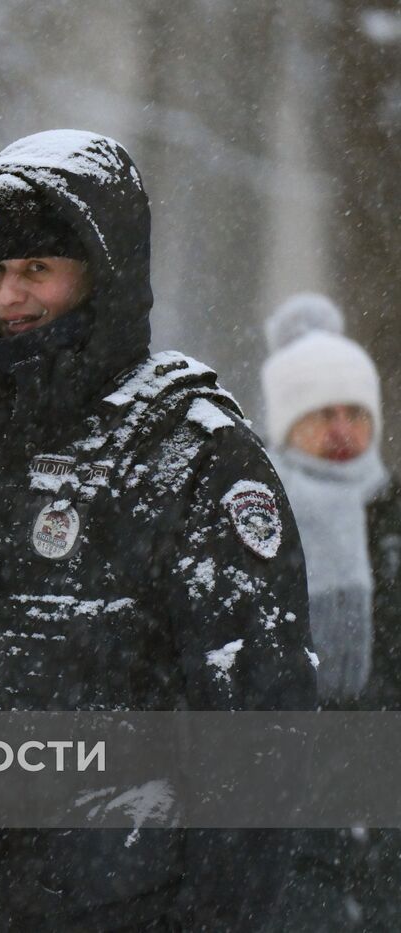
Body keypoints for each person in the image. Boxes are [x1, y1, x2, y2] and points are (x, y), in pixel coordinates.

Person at [0, 130, 318, 931]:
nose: (11, 295)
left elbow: (261, 716)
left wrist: (228, 911)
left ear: (103, 274)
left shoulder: (190, 447)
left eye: (37, 268)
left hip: (137, 900)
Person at [262, 293, 401, 930]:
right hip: (295, 767)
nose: (342, 429)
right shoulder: (260, 515)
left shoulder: (390, 509)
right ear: (288, 423)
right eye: (322, 414)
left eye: (355, 413)